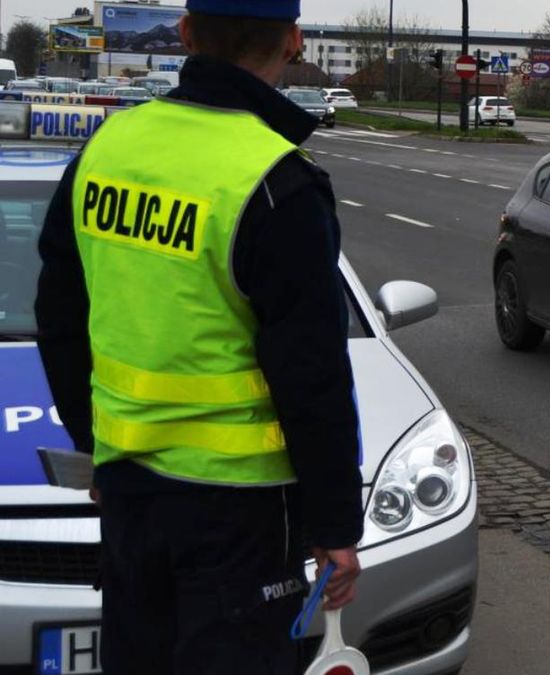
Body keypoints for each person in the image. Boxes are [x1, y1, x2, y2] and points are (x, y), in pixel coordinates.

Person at [35, 1, 363, 672]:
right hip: (239, 517)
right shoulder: (276, 182)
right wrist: (335, 526)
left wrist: (92, 442)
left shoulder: (107, 148)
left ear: (185, 33)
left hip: (129, 493)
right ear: (294, 41)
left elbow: (60, 315)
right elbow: (312, 375)